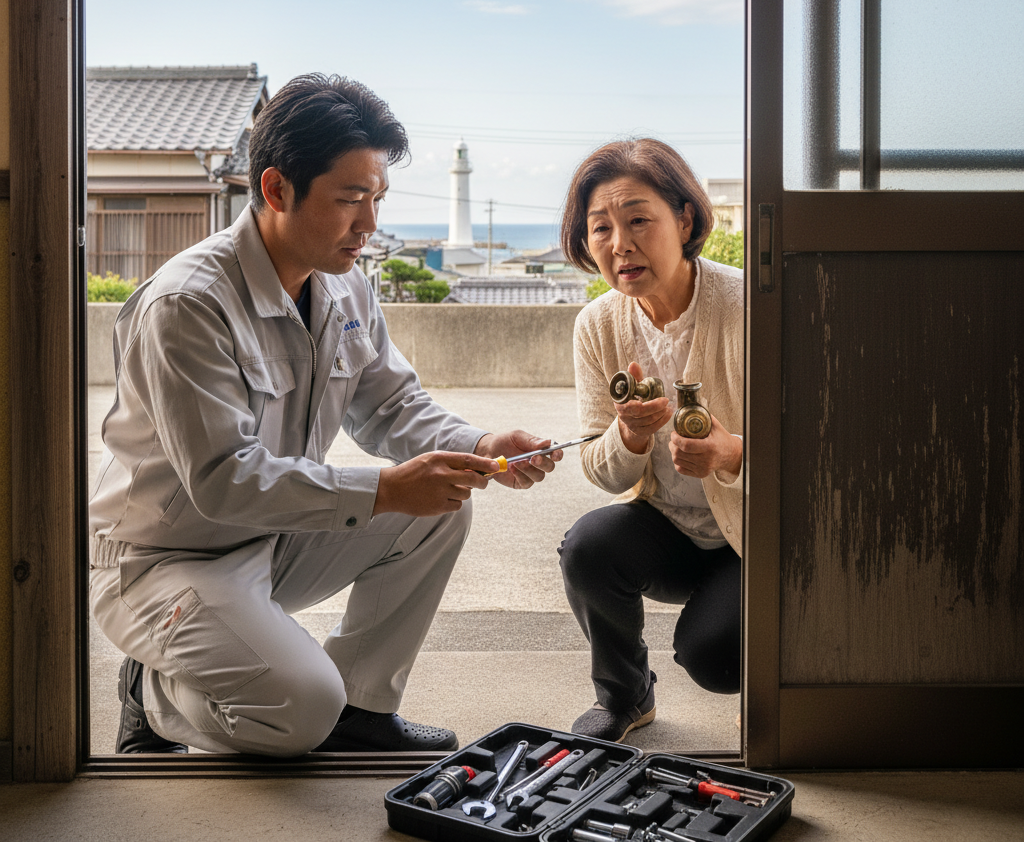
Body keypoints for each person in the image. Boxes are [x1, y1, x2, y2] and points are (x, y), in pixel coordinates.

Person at [90, 74, 561, 757]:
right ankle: (152, 694)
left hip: (270, 536)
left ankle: (363, 708)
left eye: (377, 198)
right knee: (298, 711)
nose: (369, 224)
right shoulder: (188, 303)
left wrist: (484, 444)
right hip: (166, 556)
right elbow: (223, 479)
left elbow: (392, 405)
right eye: (350, 199)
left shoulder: (345, 286)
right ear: (277, 189)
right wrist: (386, 489)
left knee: (441, 505)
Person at [557, 138, 743, 743]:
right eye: (600, 227)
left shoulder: (748, 307)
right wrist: (630, 435)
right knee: (587, 545)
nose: (620, 244)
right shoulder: (598, 324)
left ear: (683, 218)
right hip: (671, 528)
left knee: (713, 656)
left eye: (639, 219)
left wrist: (730, 453)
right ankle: (624, 696)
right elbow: (599, 468)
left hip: (753, 536)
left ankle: (792, 668)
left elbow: (815, 451)